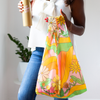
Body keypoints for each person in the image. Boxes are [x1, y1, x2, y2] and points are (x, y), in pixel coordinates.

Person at [17, 0, 85, 100]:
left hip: (61, 53)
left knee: (60, 97)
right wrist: (26, 12)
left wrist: (68, 24)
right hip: (39, 51)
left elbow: (81, 29)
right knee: (24, 96)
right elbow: (33, 26)